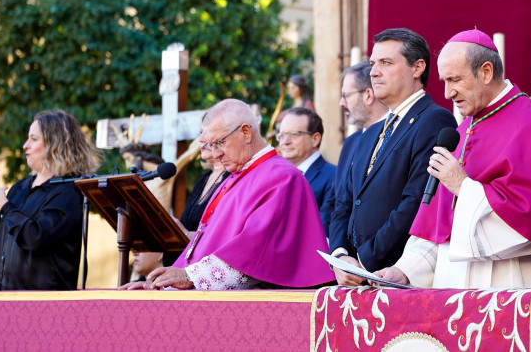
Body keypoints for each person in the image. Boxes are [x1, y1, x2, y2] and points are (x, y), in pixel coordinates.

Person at [372, 29, 531, 289]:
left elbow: (529, 223)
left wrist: (462, 186)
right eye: (444, 81)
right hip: (458, 291)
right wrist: (404, 270)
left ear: (486, 72)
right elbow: (442, 229)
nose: (447, 93)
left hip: (513, 287)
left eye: (455, 80)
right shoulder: (464, 129)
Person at [121, 99, 333, 290]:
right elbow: (203, 245)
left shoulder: (281, 177)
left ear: (246, 132)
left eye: (219, 143)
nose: (215, 154)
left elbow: (255, 252)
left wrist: (189, 276)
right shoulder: (235, 177)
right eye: (210, 146)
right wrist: (160, 285)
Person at [328, 29, 456, 286]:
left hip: (398, 276)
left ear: (417, 67)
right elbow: (345, 203)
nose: (374, 72)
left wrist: (364, 261)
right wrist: (340, 256)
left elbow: (415, 203)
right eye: (373, 63)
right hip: (356, 277)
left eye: (385, 63)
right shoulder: (370, 133)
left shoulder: (434, 120)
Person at [0, 109, 101, 291]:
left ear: (55, 144)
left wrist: (4, 205)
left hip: (39, 301)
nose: (25, 145)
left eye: (34, 139)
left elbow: (35, 236)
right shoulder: (21, 186)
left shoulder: (69, 192)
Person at [322, 62, 389, 229]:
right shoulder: (350, 143)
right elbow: (334, 201)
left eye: (346, 95)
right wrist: (334, 242)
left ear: (368, 95)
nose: (341, 103)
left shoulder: (395, 136)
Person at [277, 107, 335, 215]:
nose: (285, 141)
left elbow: (326, 223)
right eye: (282, 135)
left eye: (294, 134)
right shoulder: (278, 177)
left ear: (315, 139)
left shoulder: (334, 177)